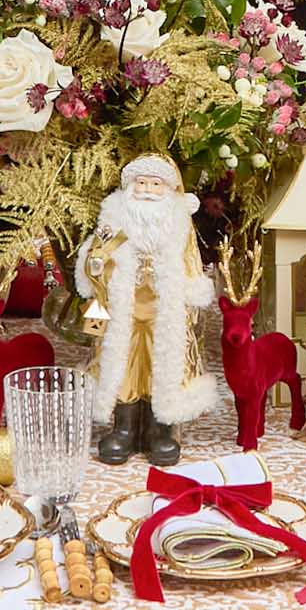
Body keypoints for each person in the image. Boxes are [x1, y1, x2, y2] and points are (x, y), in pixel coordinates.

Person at [75, 153, 218, 466]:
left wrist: (190, 299)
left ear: (169, 189)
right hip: (121, 309)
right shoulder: (114, 221)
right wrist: (98, 267)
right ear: (130, 186)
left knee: (161, 363)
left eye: (156, 184)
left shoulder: (179, 225)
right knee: (122, 363)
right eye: (141, 183)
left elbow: (192, 265)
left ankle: (159, 428)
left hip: (162, 311)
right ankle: (124, 427)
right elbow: (95, 256)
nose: (148, 190)